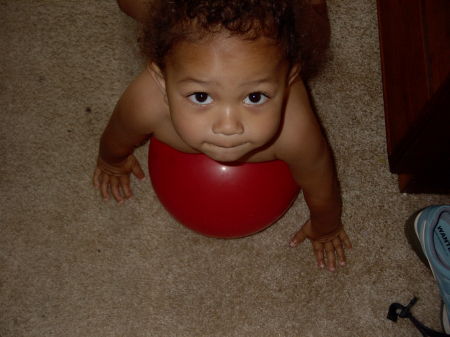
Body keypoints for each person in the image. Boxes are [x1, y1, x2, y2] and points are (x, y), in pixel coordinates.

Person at [93, 0, 352, 272]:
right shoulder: (146, 104)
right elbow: (117, 134)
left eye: (254, 97)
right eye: (201, 96)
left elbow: (321, 184)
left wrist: (327, 226)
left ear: (289, 79)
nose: (228, 126)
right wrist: (111, 160)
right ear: (161, 81)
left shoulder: (295, 132)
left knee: (314, 26)